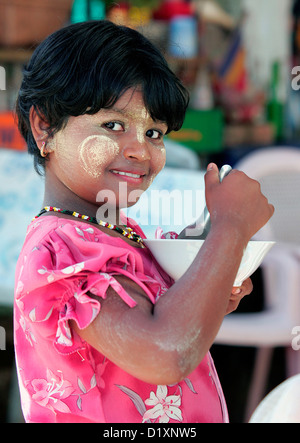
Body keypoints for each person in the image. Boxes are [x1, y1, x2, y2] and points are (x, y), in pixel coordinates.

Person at [14, 20, 274, 423]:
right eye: (114, 126)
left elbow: (158, 329)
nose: (140, 150)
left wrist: (209, 289)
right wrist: (230, 227)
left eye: (154, 132)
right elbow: (166, 354)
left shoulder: (118, 236)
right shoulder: (62, 251)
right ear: (44, 125)